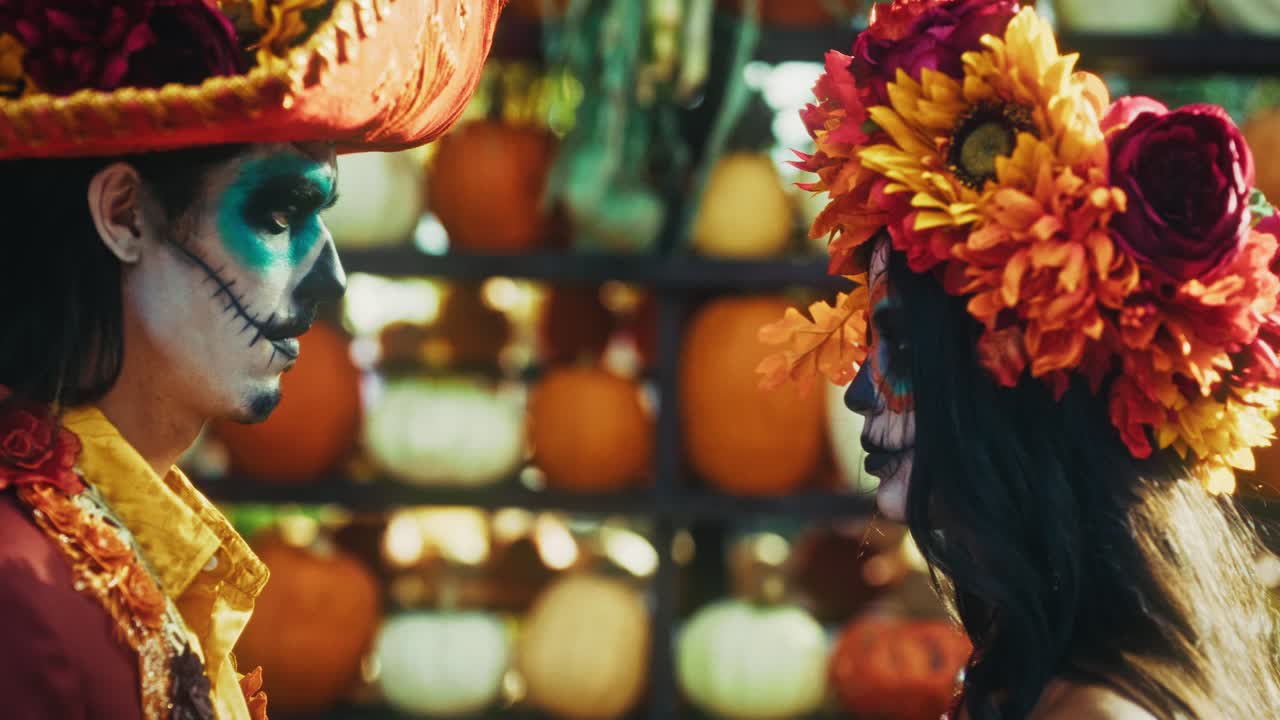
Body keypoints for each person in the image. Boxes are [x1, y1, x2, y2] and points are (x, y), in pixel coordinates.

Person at [761, 1, 1280, 718]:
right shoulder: (1041, 673)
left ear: (1026, 379)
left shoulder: (1096, 712)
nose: (858, 395)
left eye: (904, 351)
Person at [0, 2, 505, 719]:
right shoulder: (24, 592)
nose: (329, 276)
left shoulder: (111, 543)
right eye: (278, 216)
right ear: (124, 216)